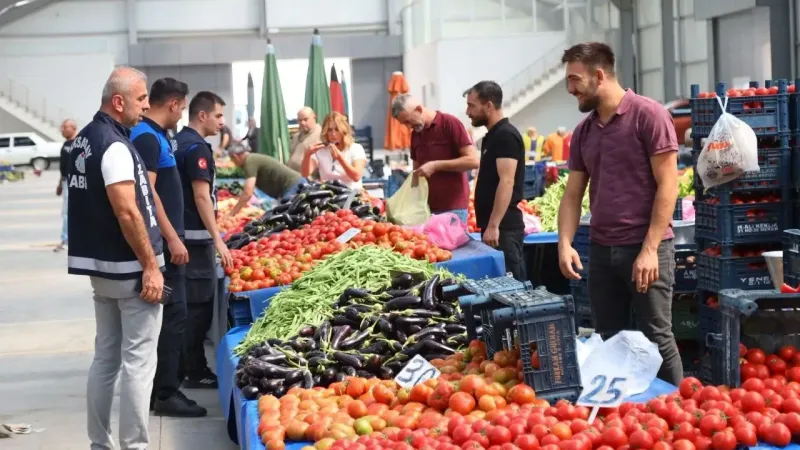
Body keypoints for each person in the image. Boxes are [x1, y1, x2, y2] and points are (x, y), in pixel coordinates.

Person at [555, 42, 682, 385]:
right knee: (609, 338)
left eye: (574, 80)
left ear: (599, 76)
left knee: (657, 338)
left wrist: (650, 248)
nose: (570, 89)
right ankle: (624, 416)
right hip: (601, 249)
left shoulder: (648, 114)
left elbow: (668, 185)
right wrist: (565, 242)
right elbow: (572, 194)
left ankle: (679, 412)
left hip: (645, 249)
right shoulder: (583, 132)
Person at [67, 66, 163, 449]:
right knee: (138, 364)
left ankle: (99, 443)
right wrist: (151, 266)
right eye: (141, 99)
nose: (146, 106)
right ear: (119, 101)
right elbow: (127, 211)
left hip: (101, 270)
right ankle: (135, 446)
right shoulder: (115, 145)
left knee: (105, 359)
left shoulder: (84, 140)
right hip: (131, 272)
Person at [129, 77, 207, 417]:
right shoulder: (146, 137)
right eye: (183, 107)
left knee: (172, 318)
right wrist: (172, 236)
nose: (182, 115)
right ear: (174, 104)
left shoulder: (155, 135)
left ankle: (158, 389)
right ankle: (166, 392)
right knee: (173, 317)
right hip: (162, 245)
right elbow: (147, 194)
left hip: (165, 242)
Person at [174, 91, 234, 389]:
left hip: (184, 235)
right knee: (198, 305)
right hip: (196, 240)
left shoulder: (179, 141)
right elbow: (201, 196)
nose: (222, 121)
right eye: (219, 115)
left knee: (188, 305)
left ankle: (187, 366)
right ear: (202, 115)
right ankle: (194, 369)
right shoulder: (196, 148)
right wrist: (218, 239)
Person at [464, 81, 526, 281]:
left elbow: (506, 182)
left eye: (472, 105)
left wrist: (494, 225)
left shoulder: (505, 136)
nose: (467, 112)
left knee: (513, 291)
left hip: (504, 229)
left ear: (488, 106)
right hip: (496, 228)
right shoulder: (492, 136)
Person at [391, 94, 479, 223]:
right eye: (404, 124)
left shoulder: (449, 123)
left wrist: (436, 165)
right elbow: (416, 172)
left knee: (453, 243)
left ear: (419, 110)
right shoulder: (415, 135)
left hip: (453, 209)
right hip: (426, 210)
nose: (408, 127)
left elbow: (473, 161)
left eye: (408, 121)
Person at [225, 144, 307, 217]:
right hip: (292, 185)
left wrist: (232, 213)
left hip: (293, 185)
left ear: (235, 156)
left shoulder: (250, 161)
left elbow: (248, 193)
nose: (234, 163)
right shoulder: (252, 158)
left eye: (232, 160)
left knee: (288, 217)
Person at [301, 111, 367, 190]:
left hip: (352, 195)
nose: (333, 134)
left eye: (336, 129)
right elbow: (305, 174)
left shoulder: (355, 148)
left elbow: (356, 177)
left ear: (343, 131)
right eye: (329, 130)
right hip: (328, 195)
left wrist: (340, 158)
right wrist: (307, 155)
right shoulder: (320, 151)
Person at [55, 119, 77, 252]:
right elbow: (63, 167)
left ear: (73, 128)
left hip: (74, 182)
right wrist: (60, 184)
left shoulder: (78, 143)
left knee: (67, 212)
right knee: (66, 212)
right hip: (66, 182)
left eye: (65, 127)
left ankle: (66, 239)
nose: (62, 129)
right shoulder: (65, 144)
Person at [288, 107, 322, 172]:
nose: (302, 123)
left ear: (314, 117)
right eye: (299, 120)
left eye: (305, 119)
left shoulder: (321, 135)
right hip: (293, 176)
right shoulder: (295, 137)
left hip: (310, 179)